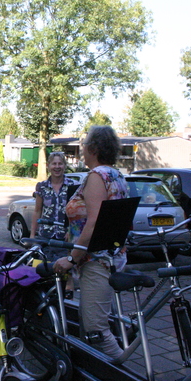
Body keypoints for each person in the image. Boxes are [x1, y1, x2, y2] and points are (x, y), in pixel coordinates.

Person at [53, 126, 129, 359]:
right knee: (97, 320)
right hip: (109, 258)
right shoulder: (116, 175)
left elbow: (94, 222)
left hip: (96, 261)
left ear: (93, 149)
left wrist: (70, 258)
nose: (82, 150)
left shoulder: (97, 177)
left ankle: (126, 377)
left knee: (97, 329)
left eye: (84, 145)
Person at [30, 152, 78, 262]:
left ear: (65, 166)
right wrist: (32, 235)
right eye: (54, 164)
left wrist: (70, 231)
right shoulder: (42, 186)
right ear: (48, 166)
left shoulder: (73, 185)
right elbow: (37, 211)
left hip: (65, 239)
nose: (57, 167)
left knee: (64, 272)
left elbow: (77, 213)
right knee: (41, 268)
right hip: (45, 238)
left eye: (60, 164)